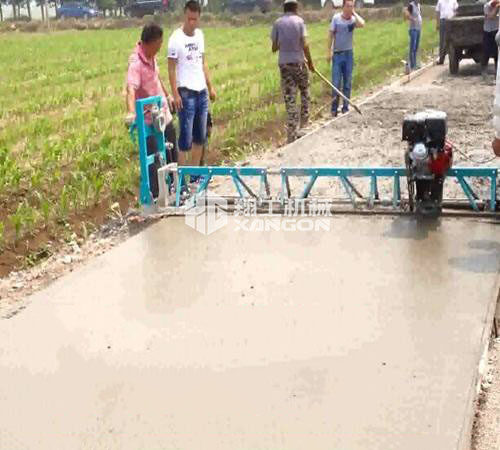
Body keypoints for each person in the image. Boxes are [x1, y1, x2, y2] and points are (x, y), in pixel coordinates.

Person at [125, 22, 178, 198]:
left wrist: (168, 95)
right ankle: (156, 196)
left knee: (171, 152)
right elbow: (130, 89)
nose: (160, 47)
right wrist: (131, 112)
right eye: (159, 43)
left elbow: (157, 78)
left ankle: (176, 189)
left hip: (163, 113)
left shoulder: (151, 57)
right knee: (155, 160)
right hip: (149, 120)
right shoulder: (136, 63)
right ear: (151, 42)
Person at [167, 0, 216, 176]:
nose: (192, 23)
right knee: (185, 139)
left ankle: (195, 177)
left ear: (199, 18)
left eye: (195, 19)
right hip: (186, 92)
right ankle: (181, 180)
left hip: (201, 91)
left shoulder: (200, 36)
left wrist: (210, 87)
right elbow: (171, 69)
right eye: (189, 19)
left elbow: (203, 63)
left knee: (200, 137)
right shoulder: (175, 38)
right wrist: (175, 94)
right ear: (184, 16)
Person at [271, 0, 315, 144]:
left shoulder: (277, 23)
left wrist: (283, 43)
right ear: (295, 8)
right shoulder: (300, 22)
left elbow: (274, 47)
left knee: (290, 98)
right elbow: (305, 45)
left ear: (284, 9)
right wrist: (310, 62)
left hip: (284, 65)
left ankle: (291, 133)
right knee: (305, 92)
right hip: (299, 64)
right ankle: (304, 125)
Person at [327, 0, 365, 117]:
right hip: (337, 54)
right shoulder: (336, 18)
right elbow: (330, 35)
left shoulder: (353, 20)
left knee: (347, 82)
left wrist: (354, 13)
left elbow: (362, 24)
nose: (350, 8)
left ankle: (345, 107)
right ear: (343, 7)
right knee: (336, 83)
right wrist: (328, 51)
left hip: (349, 54)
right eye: (348, 6)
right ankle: (334, 109)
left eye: (352, 6)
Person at [435, 0, 458, 65]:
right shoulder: (440, 1)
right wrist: (437, 23)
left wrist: (453, 17)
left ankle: (452, 58)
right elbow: (437, 12)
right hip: (443, 21)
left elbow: (456, 11)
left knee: (452, 39)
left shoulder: (453, 1)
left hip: (451, 21)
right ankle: (441, 59)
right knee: (442, 41)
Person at [482, 0, 499, 79]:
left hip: (496, 30)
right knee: (486, 52)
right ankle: (484, 72)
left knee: (496, 53)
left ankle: (497, 72)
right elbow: (491, 16)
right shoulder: (486, 6)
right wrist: (496, 7)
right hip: (488, 31)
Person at [404, 0, 422, 72]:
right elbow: (406, 14)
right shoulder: (411, 5)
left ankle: (416, 64)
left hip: (418, 28)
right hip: (413, 29)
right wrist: (413, 19)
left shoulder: (419, 5)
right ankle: (412, 65)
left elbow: (418, 15)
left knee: (416, 47)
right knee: (413, 48)